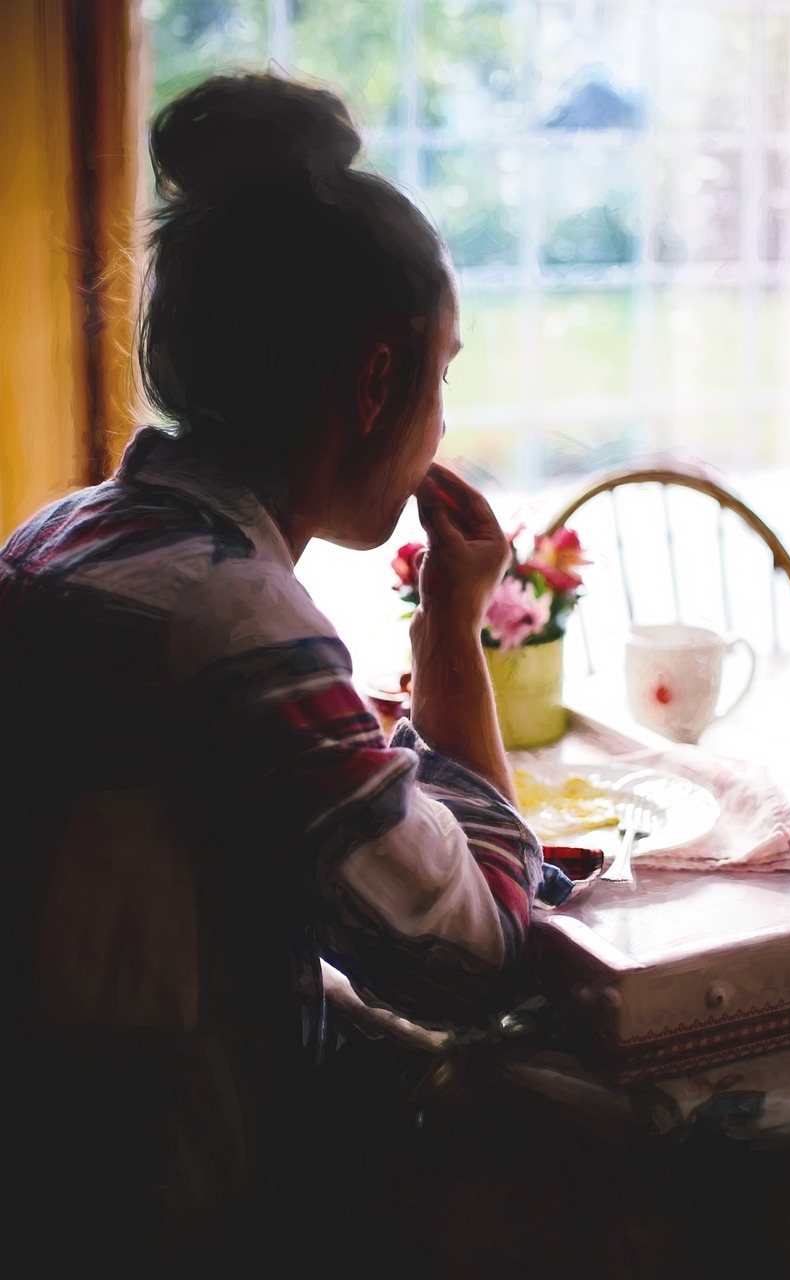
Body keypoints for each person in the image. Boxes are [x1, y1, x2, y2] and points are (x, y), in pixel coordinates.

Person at [2, 72, 547, 1277]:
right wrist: (450, 634)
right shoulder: (235, 624)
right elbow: (473, 949)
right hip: (171, 1207)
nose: (440, 419)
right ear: (371, 383)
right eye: (438, 375)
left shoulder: (59, 537)